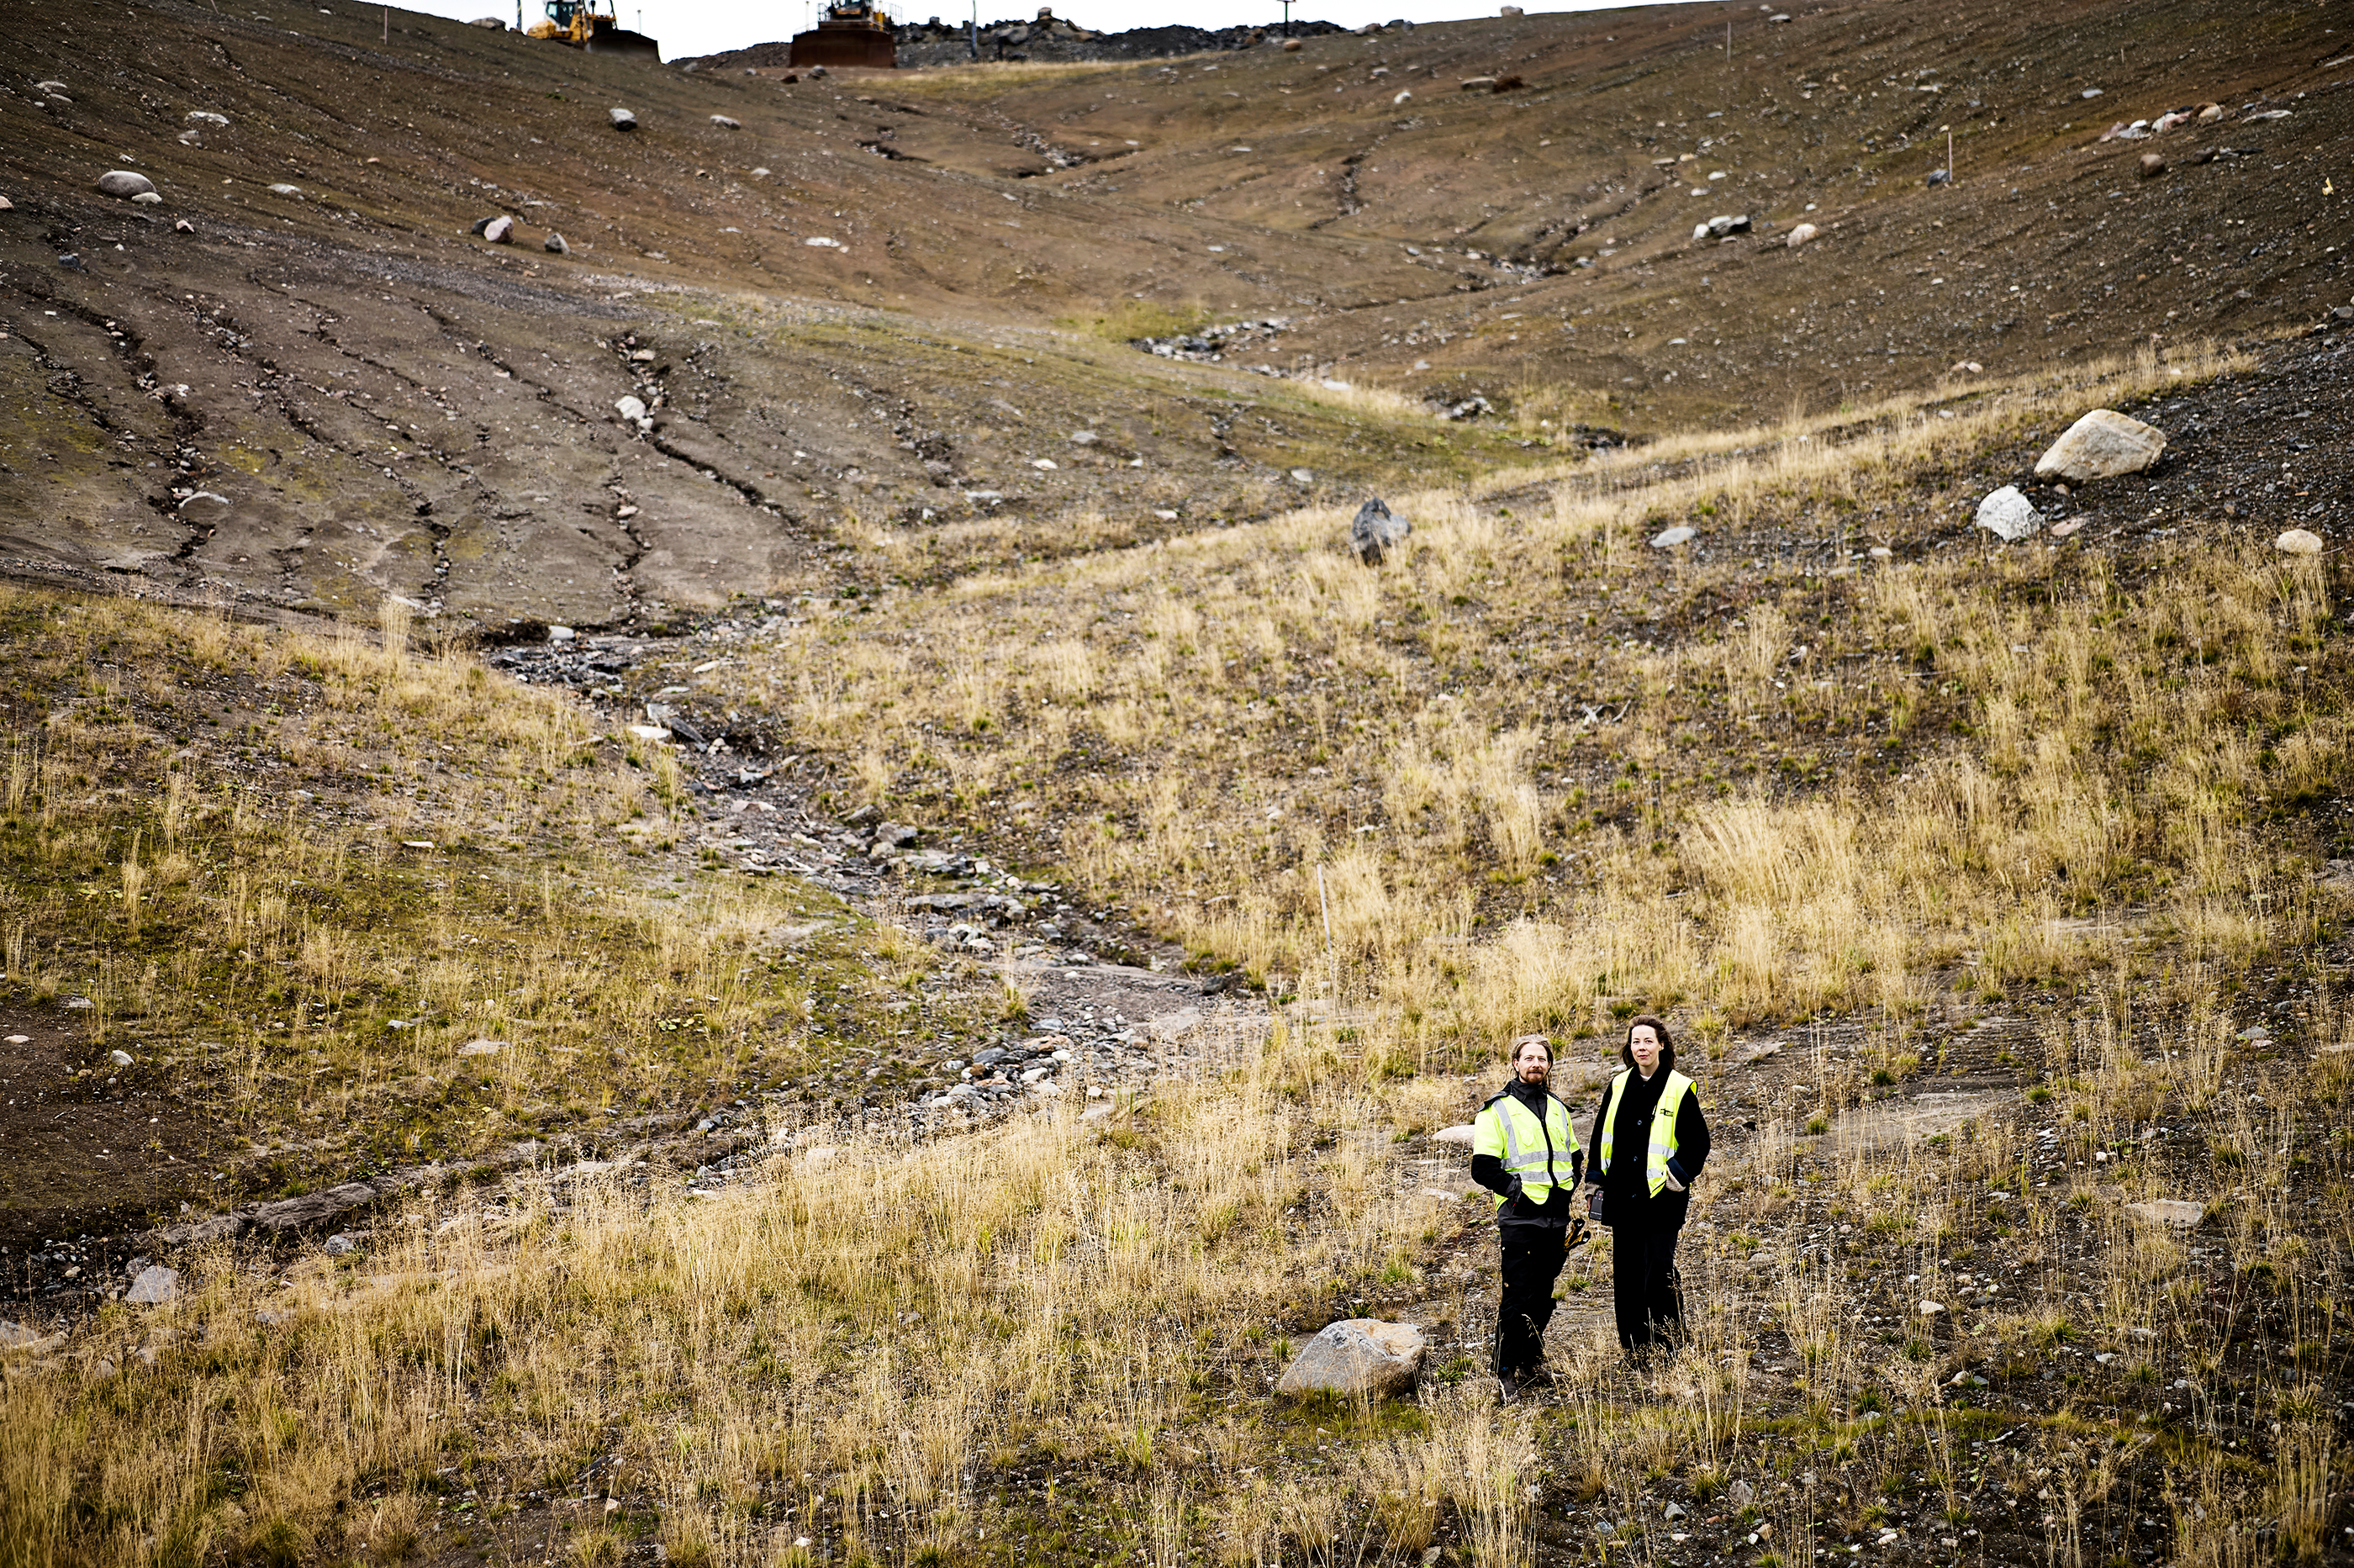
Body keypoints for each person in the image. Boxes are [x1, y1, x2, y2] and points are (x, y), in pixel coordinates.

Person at [1585, 1014, 1710, 1359]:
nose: (1642, 1047)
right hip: (1622, 1195)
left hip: (1662, 1198)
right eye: (1636, 1041)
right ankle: (1636, 1346)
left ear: (1661, 1044)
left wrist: (1677, 1176)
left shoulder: (1679, 1087)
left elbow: (1698, 1143)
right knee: (1627, 1273)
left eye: (1648, 1041)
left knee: (1658, 1268)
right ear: (1630, 1047)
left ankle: (1671, 1342)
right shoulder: (1618, 1085)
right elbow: (1600, 1135)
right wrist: (1594, 1181)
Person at [1470, 1032, 1581, 1398]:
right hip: (1519, 1218)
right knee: (1517, 1296)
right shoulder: (1496, 1110)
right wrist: (1518, 1193)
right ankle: (1504, 1370)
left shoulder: (1559, 1108)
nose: (1536, 1064)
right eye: (1529, 1058)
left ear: (1549, 1065)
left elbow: (1575, 1156)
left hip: (1556, 1216)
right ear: (1516, 1064)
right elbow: (1483, 1169)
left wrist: (1566, 1190)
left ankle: (1531, 1359)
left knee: (1543, 1294)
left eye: (1542, 1058)